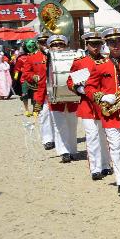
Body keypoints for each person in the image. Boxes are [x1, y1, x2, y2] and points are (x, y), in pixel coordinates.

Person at [86, 28, 120, 196]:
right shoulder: (99, 65)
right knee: (115, 147)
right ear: (107, 45)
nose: (115, 45)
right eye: (111, 42)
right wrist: (102, 97)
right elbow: (89, 87)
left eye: (118, 41)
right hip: (110, 113)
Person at [68, 31, 112, 180]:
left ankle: (106, 165)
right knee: (92, 136)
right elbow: (70, 81)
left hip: (104, 104)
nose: (96, 48)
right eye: (93, 45)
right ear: (87, 45)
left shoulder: (107, 60)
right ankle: (95, 168)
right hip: (87, 105)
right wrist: (79, 89)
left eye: (98, 44)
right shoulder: (80, 62)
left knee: (105, 136)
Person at [43, 35, 79, 163]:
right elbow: (44, 81)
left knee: (72, 125)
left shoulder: (74, 58)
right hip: (55, 98)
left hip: (72, 98)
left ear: (66, 46)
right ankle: (64, 152)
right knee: (59, 126)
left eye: (61, 45)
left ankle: (73, 150)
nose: (58, 47)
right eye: (54, 45)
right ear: (49, 47)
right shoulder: (47, 59)